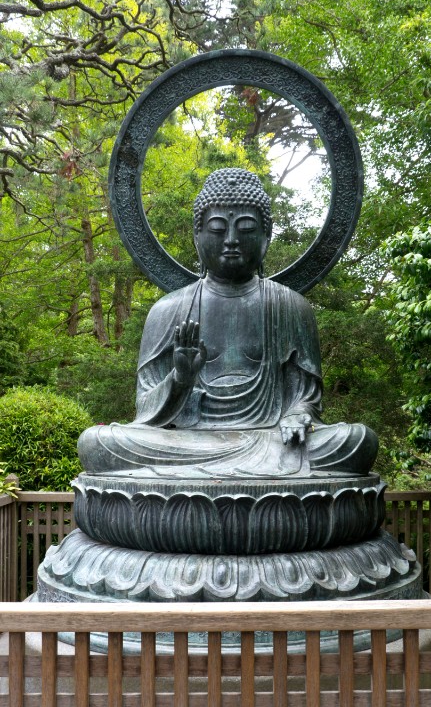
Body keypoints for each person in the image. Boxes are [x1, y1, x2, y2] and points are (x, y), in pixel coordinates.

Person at [78, 168, 378, 478]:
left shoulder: (290, 306)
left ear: (266, 238)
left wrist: (297, 415)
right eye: (218, 229)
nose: (231, 240)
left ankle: (206, 478)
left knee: (356, 441)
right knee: (98, 443)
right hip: (188, 442)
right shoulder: (168, 309)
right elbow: (145, 409)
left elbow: (304, 398)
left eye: (246, 229)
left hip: (269, 439)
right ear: (197, 237)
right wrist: (180, 378)